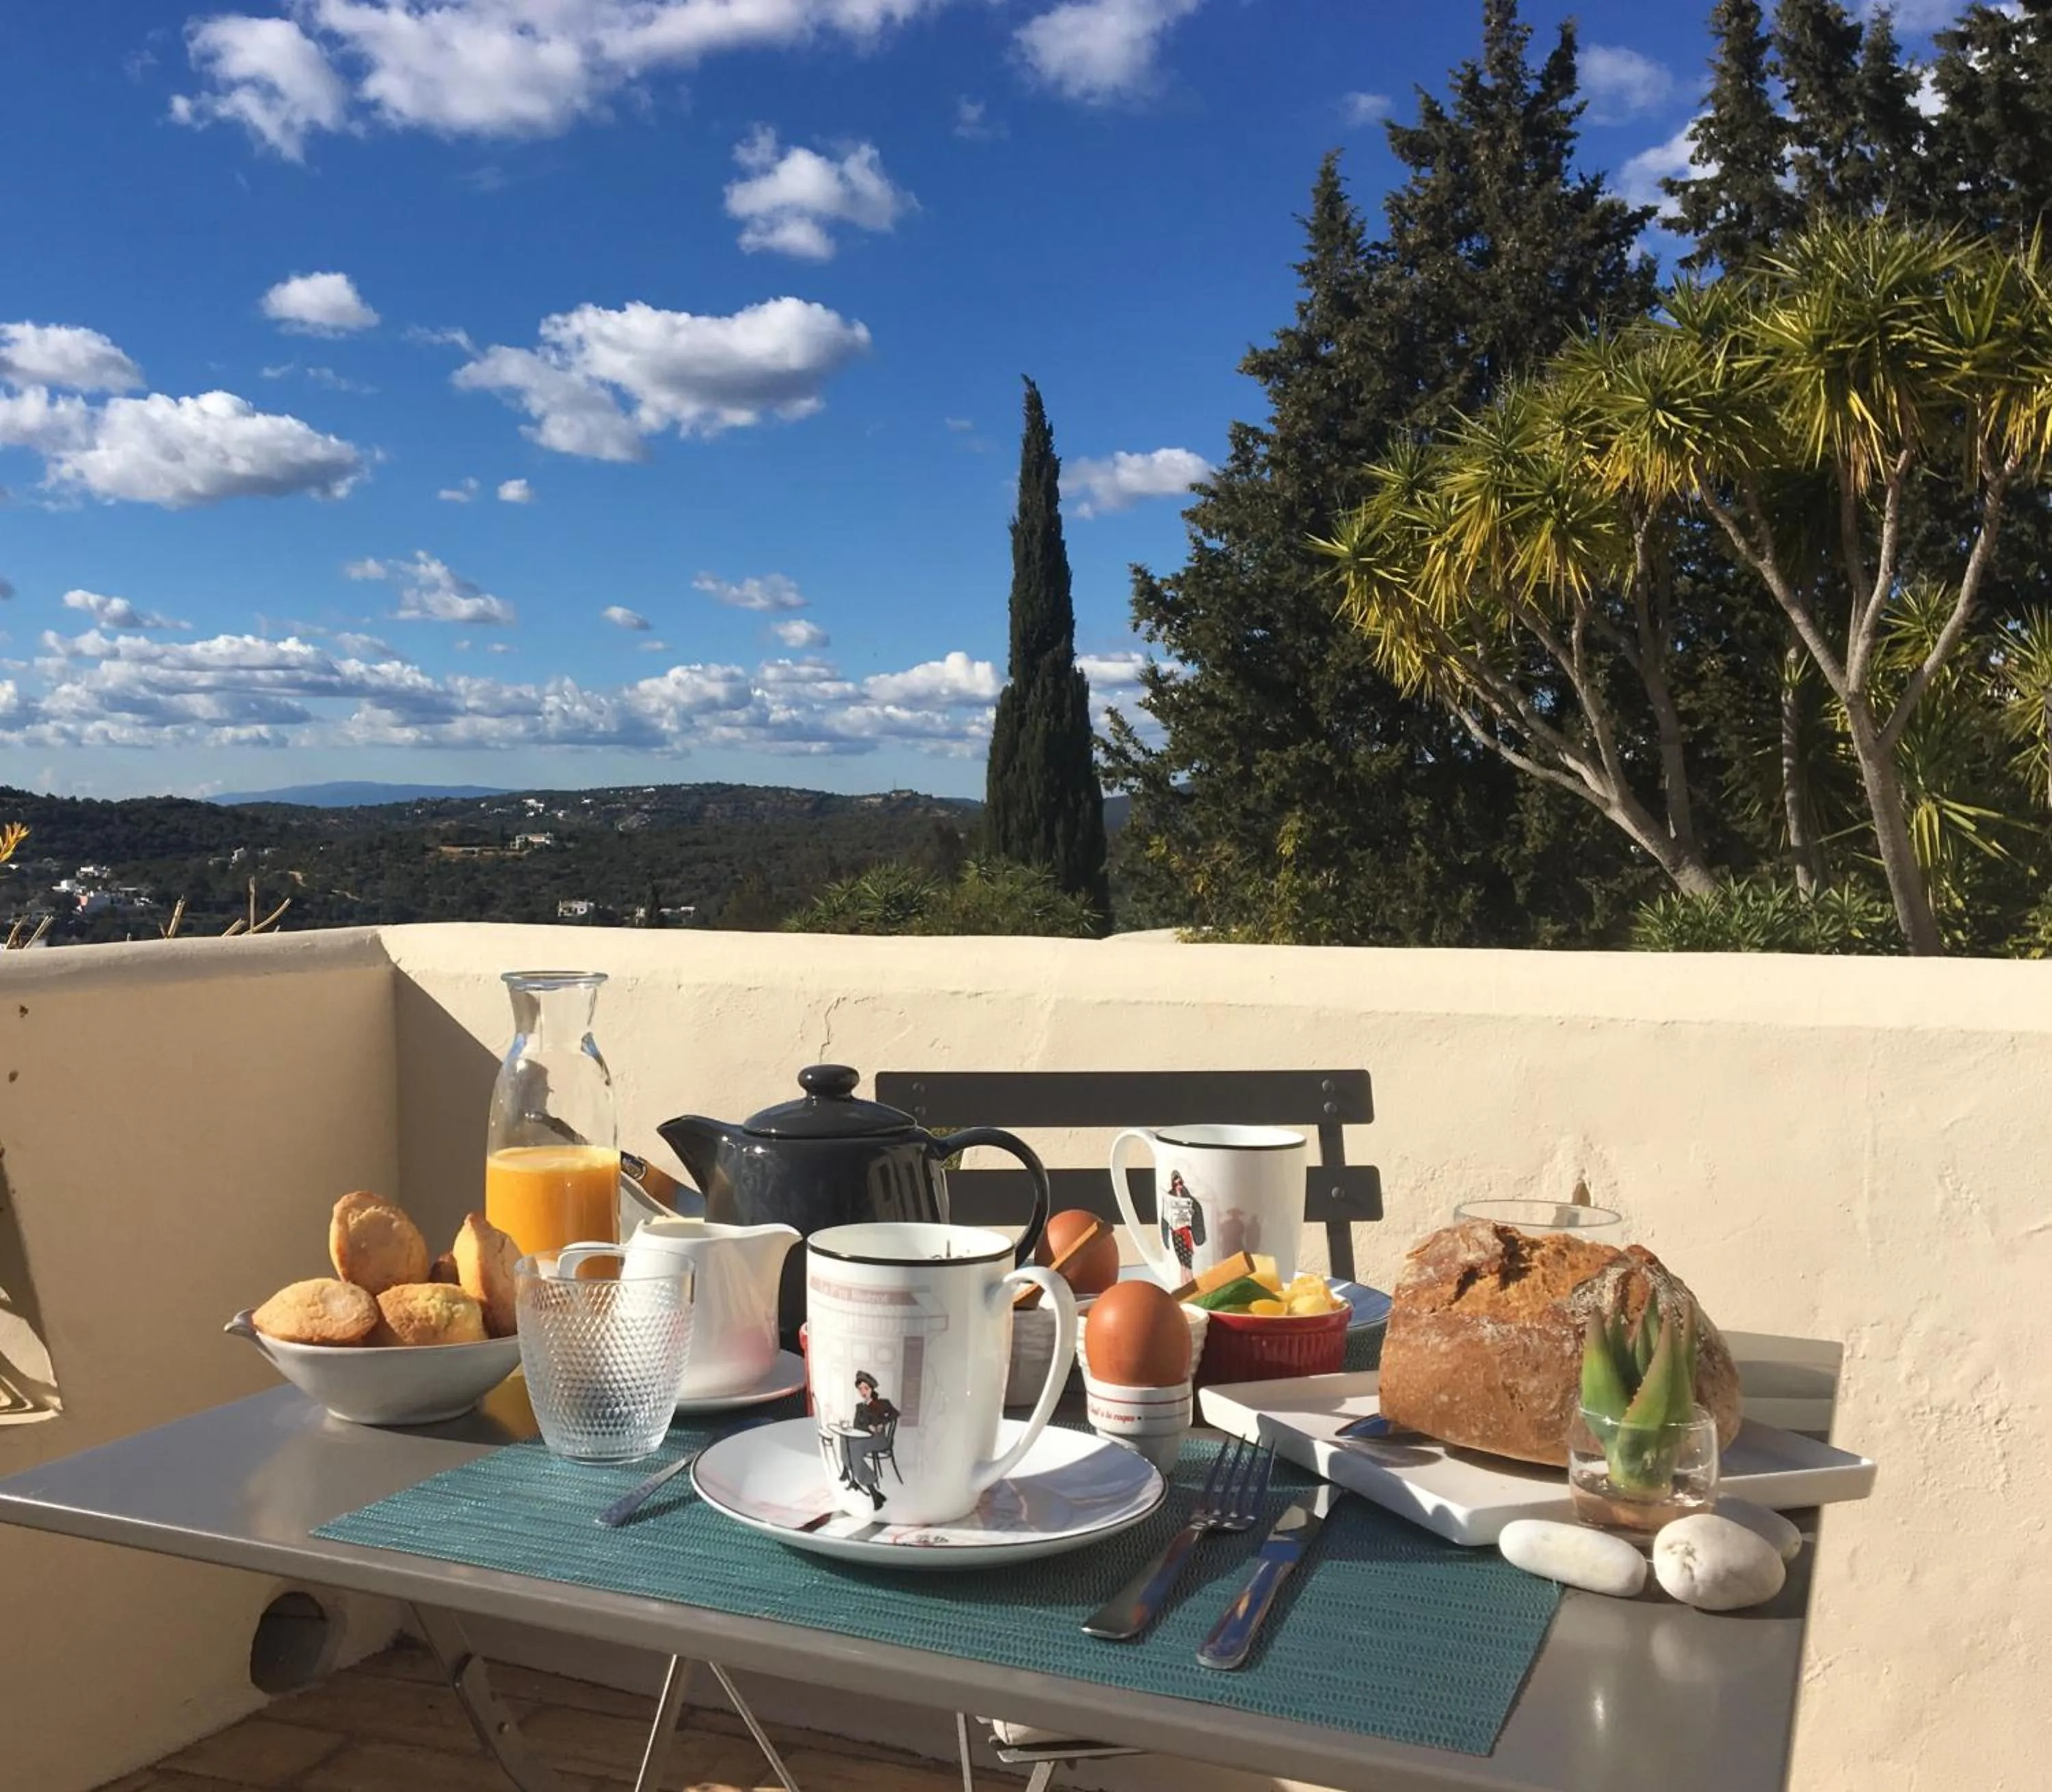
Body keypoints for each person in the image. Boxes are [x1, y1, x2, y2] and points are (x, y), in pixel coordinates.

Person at [834, 1371, 899, 1510]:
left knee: (854, 1449)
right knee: (844, 1438)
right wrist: (867, 1426)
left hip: (879, 1440)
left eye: (866, 1388)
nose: (863, 1392)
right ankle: (869, 1488)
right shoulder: (860, 1407)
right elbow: (857, 1425)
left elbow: (895, 1413)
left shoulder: (882, 1403)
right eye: (860, 1389)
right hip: (864, 1438)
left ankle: (870, 1490)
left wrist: (882, 1423)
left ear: (872, 1389)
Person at [1160, 1172, 1206, 1274]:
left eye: (1180, 1183)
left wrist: (1192, 1214)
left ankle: (1189, 1284)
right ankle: (1185, 1286)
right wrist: (1165, 1239)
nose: (1178, 1186)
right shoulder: (1169, 1198)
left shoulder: (1188, 1198)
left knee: (1188, 1262)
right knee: (1182, 1264)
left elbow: (1197, 1212)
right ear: (1173, 1184)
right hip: (1176, 1234)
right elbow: (1165, 1218)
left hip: (1186, 1233)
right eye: (1176, 1184)